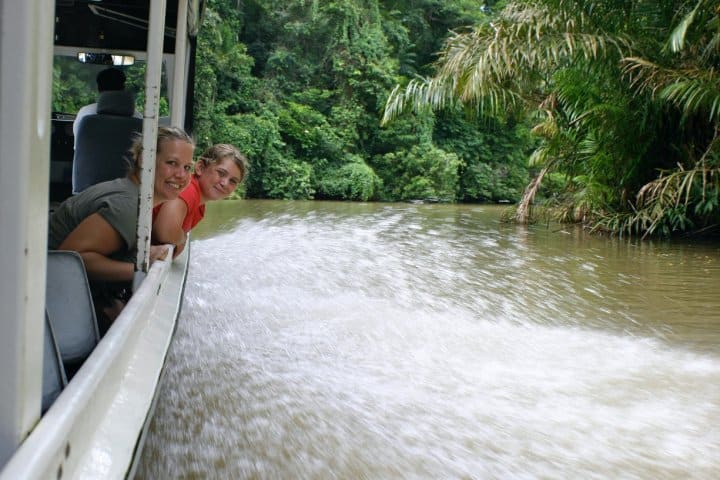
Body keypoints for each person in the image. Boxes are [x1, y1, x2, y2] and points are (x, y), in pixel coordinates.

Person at [48, 126, 195, 329]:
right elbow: (71, 258)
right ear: (145, 159)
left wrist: (141, 254)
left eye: (187, 167)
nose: (181, 175)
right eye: (172, 163)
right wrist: (140, 268)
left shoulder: (133, 195)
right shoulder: (128, 205)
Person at [152, 143, 249, 256]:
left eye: (233, 181)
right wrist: (182, 239)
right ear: (200, 168)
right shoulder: (188, 188)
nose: (225, 183)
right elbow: (166, 231)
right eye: (221, 173)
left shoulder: (200, 206)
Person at [73, 68, 142, 144]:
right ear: (123, 88)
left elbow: (77, 147)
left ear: (98, 89)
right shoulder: (138, 118)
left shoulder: (85, 113)